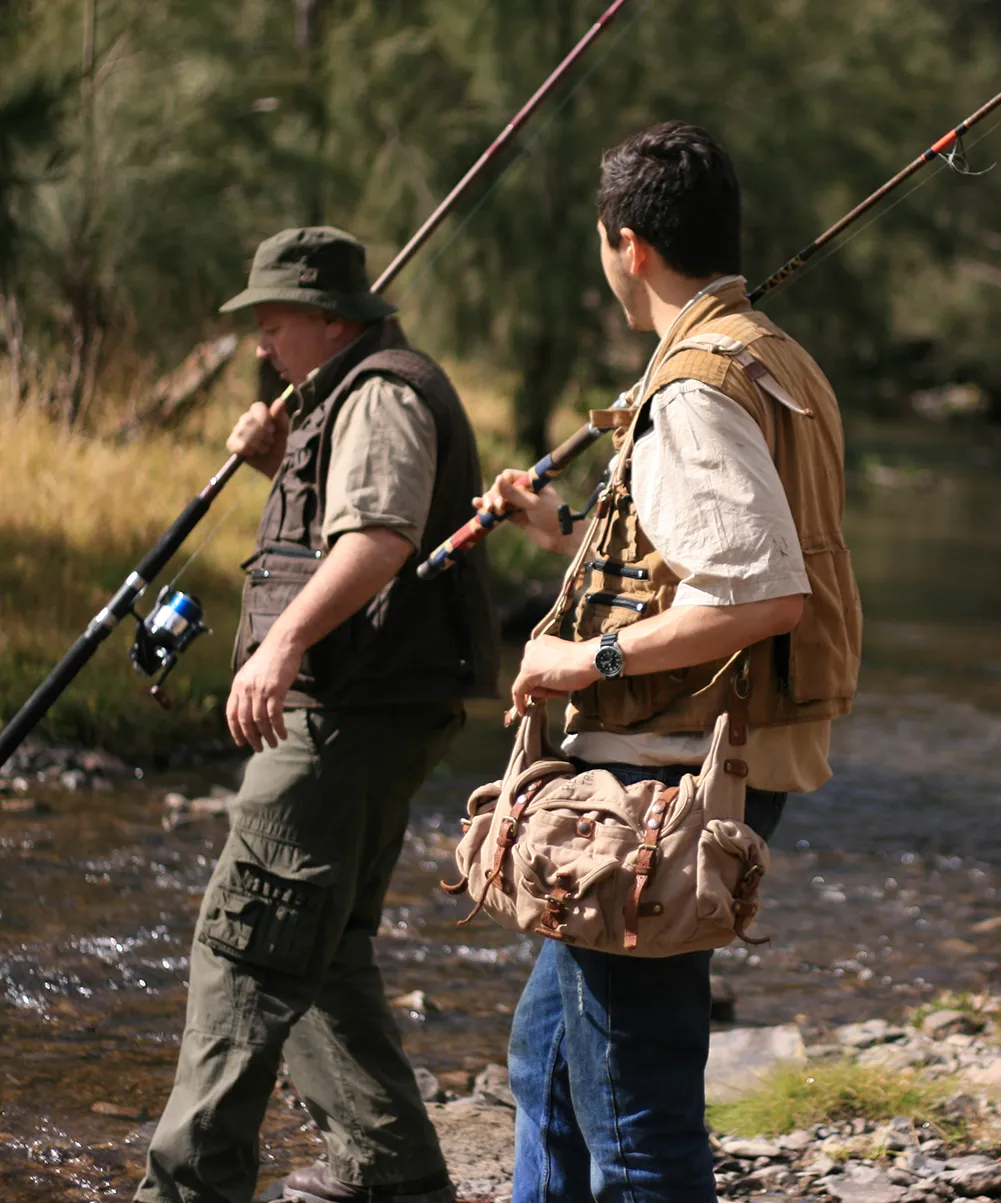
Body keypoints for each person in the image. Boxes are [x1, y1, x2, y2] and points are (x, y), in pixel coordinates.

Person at [476, 122, 862, 1203]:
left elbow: (757, 590)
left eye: (605, 246)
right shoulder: (768, 354)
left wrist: (578, 658)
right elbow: (712, 547)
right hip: (709, 759)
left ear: (628, 246)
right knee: (545, 1065)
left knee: (633, 1116)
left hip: (665, 781)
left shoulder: (693, 387)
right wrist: (563, 531)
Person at [136, 226, 499, 1203]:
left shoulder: (378, 392)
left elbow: (379, 536)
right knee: (322, 951)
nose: (260, 341)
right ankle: (395, 1180)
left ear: (330, 317)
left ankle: (185, 1191)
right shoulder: (351, 395)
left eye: (272, 320)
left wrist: (285, 644)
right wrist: (281, 460)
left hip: (341, 713)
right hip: (375, 708)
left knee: (244, 950)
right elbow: (351, 519)